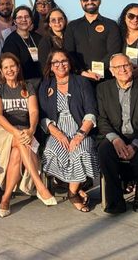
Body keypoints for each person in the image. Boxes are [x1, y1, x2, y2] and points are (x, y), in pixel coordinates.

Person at [0, 53, 57, 218]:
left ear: (18, 67)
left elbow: (34, 111)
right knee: (21, 142)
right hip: (3, 131)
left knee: (17, 153)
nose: (9, 70)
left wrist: (31, 130)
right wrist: (17, 132)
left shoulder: (28, 86)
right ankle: (40, 186)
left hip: (26, 132)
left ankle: (5, 198)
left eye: (12, 66)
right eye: (5, 67)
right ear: (1, 71)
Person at [96, 53, 138, 214]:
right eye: (118, 67)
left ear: (132, 67)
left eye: (126, 65)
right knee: (105, 151)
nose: (123, 69)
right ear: (111, 71)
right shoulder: (103, 88)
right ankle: (115, 200)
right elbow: (102, 118)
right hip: (114, 136)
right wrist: (115, 140)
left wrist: (136, 144)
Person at [38, 48, 98, 212]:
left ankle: (72, 193)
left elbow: (91, 111)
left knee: (81, 151)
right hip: (57, 130)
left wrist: (80, 135)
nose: (60, 65)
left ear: (70, 64)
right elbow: (42, 116)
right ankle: (76, 187)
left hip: (81, 127)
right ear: (50, 66)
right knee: (52, 151)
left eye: (63, 61)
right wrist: (57, 134)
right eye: (55, 62)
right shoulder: (45, 86)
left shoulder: (82, 82)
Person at [64, 0, 122, 83]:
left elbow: (114, 52)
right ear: (81, 2)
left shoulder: (111, 25)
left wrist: (97, 71)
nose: (89, 1)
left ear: (99, 1)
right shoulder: (72, 26)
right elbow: (69, 52)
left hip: (106, 79)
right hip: (80, 79)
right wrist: (83, 72)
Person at [2, 5, 43, 85]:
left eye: (26, 16)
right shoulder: (11, 41)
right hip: (22, 82)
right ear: (14, 21)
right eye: (19, 17)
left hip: (41, 81)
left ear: (31, 19)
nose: (23, 20)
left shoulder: (38, 38)